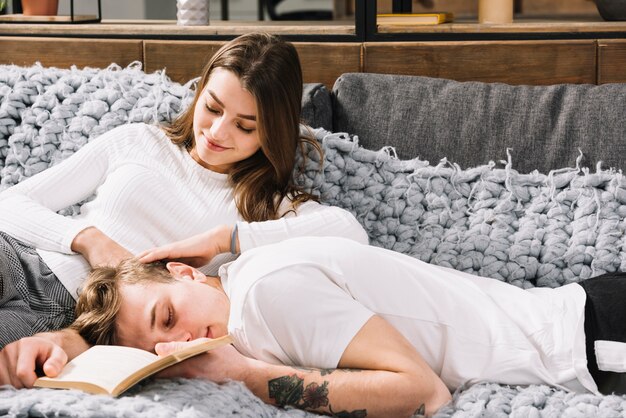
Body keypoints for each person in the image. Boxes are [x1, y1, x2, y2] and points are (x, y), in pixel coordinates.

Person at [0, 32, 367, 351]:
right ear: (200, 92)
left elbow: (350, 232)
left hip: (76, 316)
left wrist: (227, 238)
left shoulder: (263, 206)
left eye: (245, 126)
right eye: (212, 107)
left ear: (273, 133)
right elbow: (8, 202)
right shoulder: (139, 141)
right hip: (21, 257)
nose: (218, 132)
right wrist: (88, 239)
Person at [33, 236, 626, 417]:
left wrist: (244, 375)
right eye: (161, 347)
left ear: (185, 273)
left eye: (168, 316)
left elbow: (424, 393)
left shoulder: (264, 298)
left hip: (590, 338)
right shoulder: (254, 285)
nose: (181, 344)